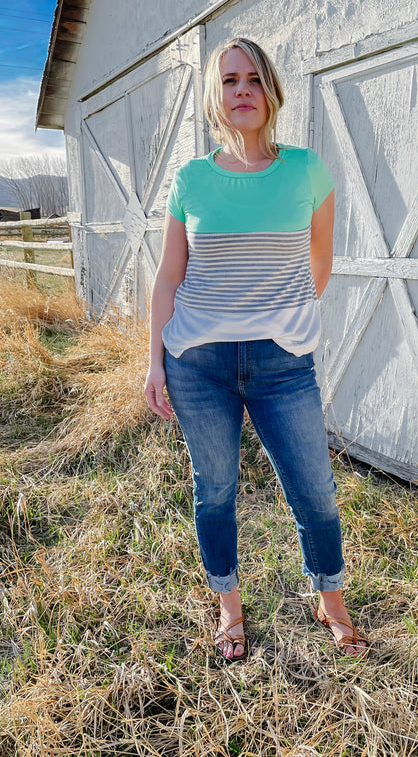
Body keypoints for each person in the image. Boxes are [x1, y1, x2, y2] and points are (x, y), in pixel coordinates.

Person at [144, 37, 368, 660]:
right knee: (213, 490)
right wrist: (154, 360)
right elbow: (168, 276)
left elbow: (319, 262)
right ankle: (229, 610)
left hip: (283, 363)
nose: (241, 89)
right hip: (199, 365)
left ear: (270, 91)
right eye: (228, 81)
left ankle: (331, 601)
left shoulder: (306, 170)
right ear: (216, 99)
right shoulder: (191, 178)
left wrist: (282, 315)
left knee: (315, 490)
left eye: (252, 78)